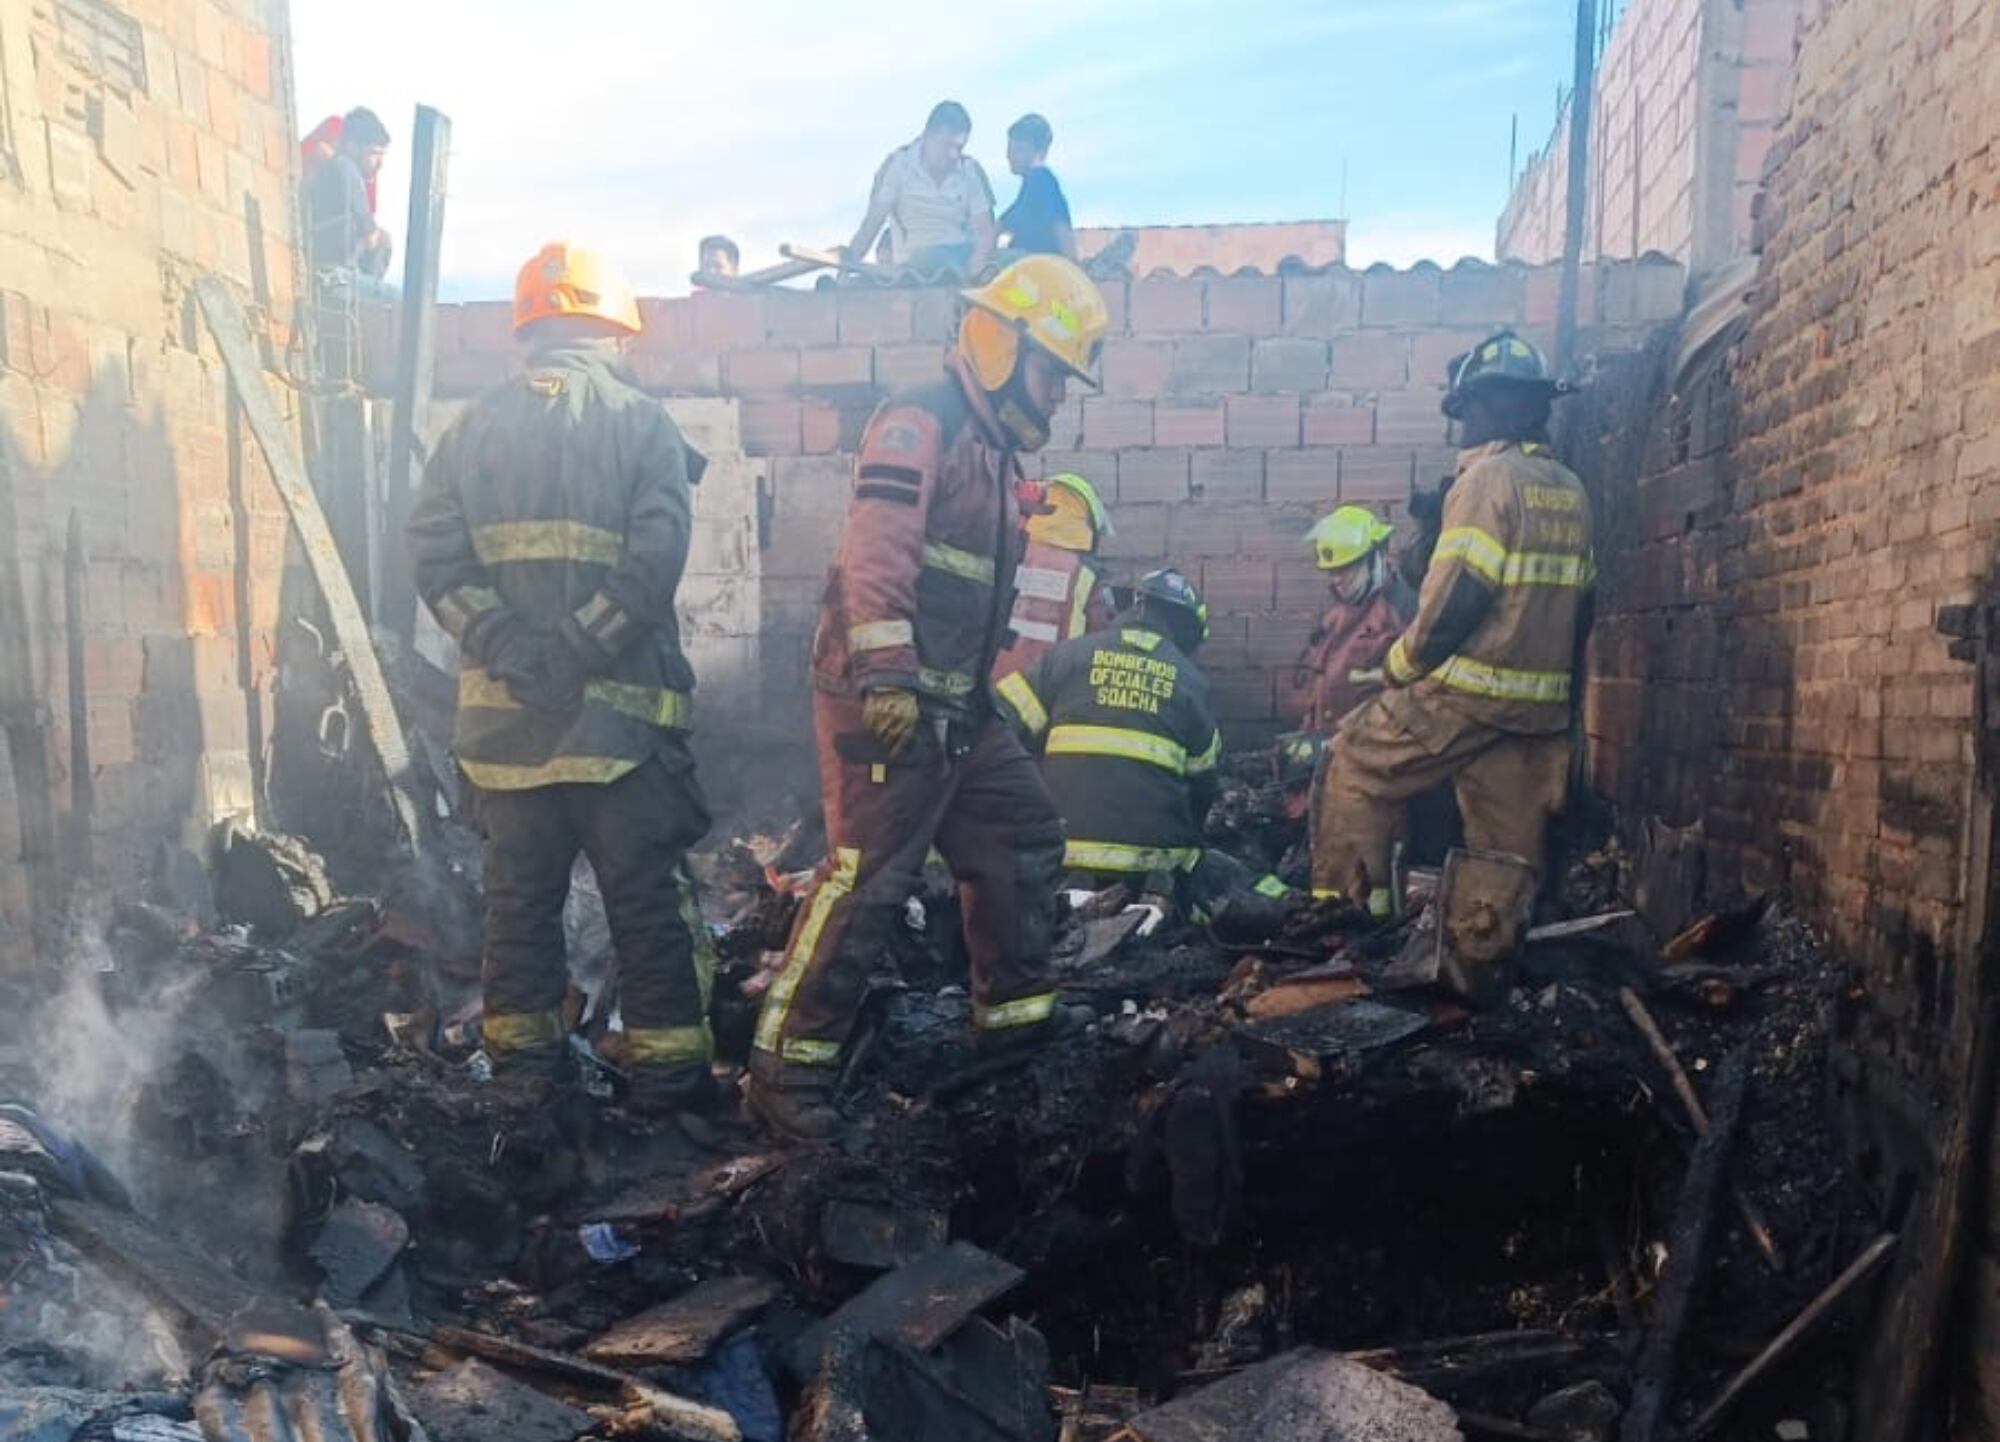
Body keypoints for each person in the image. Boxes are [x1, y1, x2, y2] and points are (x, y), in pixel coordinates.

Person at [748, 255, 1111, 1140]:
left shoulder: (990, 449)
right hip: (891, 702)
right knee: (869, 883)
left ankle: (1013, 1024)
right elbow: (878, 553)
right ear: (1001, 343)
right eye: (1052, 373)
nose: (1058, 397)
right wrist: (888, 678)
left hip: (958, 711)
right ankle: (784, 1073)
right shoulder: (922, 422)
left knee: (1021, 835)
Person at [407, 242, 717, 1117]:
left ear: (531, 332)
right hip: (618, 732)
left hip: (506, 732)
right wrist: (582, 646)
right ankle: (667, 1092)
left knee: (519, 911)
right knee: (646, 907)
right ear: (612, 333)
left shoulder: (468, 430)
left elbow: (433, 557)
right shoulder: (641, 422)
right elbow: (656, 559)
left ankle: (522, 1089)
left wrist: (505, 641)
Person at [1312, 331, 1595, 919]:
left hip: (1465, 696)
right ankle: (1482, 961)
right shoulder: (1572, 489)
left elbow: (1460, 598)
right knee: (1505, 850)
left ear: (1485, 407)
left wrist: (1398, 666)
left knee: (1357, 763)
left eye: (1464, 412)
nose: (1461, 427)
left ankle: (1348, 920)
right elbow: (1583, 606)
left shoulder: (1487, 482)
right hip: (1536, 712)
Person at [998, 568, 1277, 920]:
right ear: (1188, 631)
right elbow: (1204, 785)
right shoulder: (1191, 683)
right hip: (1150, 869)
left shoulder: (1066, 657)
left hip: (1057, 851)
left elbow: (1001, 725)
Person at [1298, 506, 1415, 735]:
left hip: (1370, 754)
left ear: (1376, 558)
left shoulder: (1404, 612)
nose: (1337, 580)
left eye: (1347, 568)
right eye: (1331, 572)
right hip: (1331, 750)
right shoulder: (1337, 616)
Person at [847, 101, 997, 277]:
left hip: (963, 254)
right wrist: (849, 265)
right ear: (927, 137)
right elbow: (872, 223)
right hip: (917, 261)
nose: (953, 155)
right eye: (947, 146)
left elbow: (985, 230)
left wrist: (977, 268)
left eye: (959, 148)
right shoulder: (898, 165)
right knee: (937, 256)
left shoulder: (970, 170)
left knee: (1016, 260)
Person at [992, 471, 1116, 683]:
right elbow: (1103, 639)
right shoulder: (1085, 574)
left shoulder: (1007, 554)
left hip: (994, 684)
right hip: (1048, 689)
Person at [307, 107, 394, 299]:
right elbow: (371, 238)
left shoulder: (332, 169)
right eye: (374, 153)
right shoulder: (347, 168)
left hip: (323, 273)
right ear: (352, 146)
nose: (380, 163)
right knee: (400, 301)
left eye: (382, 155)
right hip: (336, 278)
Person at [997, 113, 1076, 260]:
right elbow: (1004, 223)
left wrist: (1072, 265)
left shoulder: (1040, 180)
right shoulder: (1032, 185)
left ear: (1040, 152)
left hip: (1037, 265)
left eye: (1019, 150)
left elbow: (1060, 226)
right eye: (1009, 149)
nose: (1010, 156)